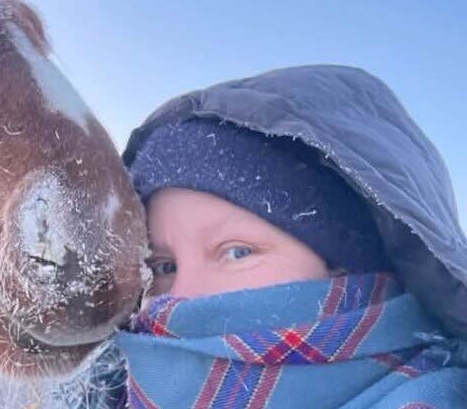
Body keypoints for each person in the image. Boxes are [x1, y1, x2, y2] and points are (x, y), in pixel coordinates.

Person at [76, 65, 467, 408]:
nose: (181, 296)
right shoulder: (100, 392)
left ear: (346, 269)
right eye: (164, 266)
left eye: (237, 252)